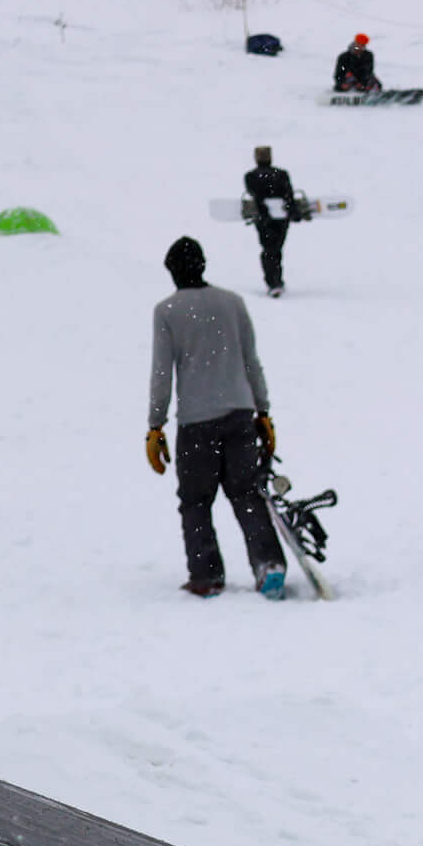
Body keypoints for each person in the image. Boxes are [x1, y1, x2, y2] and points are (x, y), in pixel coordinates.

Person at [147, 236, 286, 599]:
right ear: (203, 265)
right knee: (247, 495)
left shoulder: (167, 311)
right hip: (240, 414)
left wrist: (155, 425)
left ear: (172, 271)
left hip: (196, 422)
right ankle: (268, 564)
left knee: (195, 501)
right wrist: (263, 411)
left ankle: (206, 575)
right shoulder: (233, 303)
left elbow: (162, 373)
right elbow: (251, 361)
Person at [242, 145, 298, 298]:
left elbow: (256, 196)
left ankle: (273, 282)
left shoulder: (250, 176)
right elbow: (289, 196)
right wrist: (294, 212)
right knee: (276, 249)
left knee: (268, 249)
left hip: (263, 219)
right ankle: (276, 281)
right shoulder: (281, 174)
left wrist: (264, 212)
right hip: (282, 218)